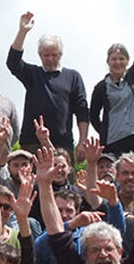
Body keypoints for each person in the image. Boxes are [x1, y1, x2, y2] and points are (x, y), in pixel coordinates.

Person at [7, 11, 89, 160]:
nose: (50, 59)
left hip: (62, 145)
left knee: (64, 183)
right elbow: (13, 63)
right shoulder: (33, 74)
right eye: (46, 55)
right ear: (40, 56)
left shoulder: (73, 76)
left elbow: (82, 110)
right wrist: (22, 32)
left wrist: (83, 140)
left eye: (54, 55)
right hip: (32, 144)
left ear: (61, 54)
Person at [88, 0, 134, 156]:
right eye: (114, 59)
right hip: (114, 140)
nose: (117, 63)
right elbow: (93, 114)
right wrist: (104, 131)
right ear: (108, 61)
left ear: (127, 61)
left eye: (121, 59)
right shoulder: (101, 87)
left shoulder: (133, 76)